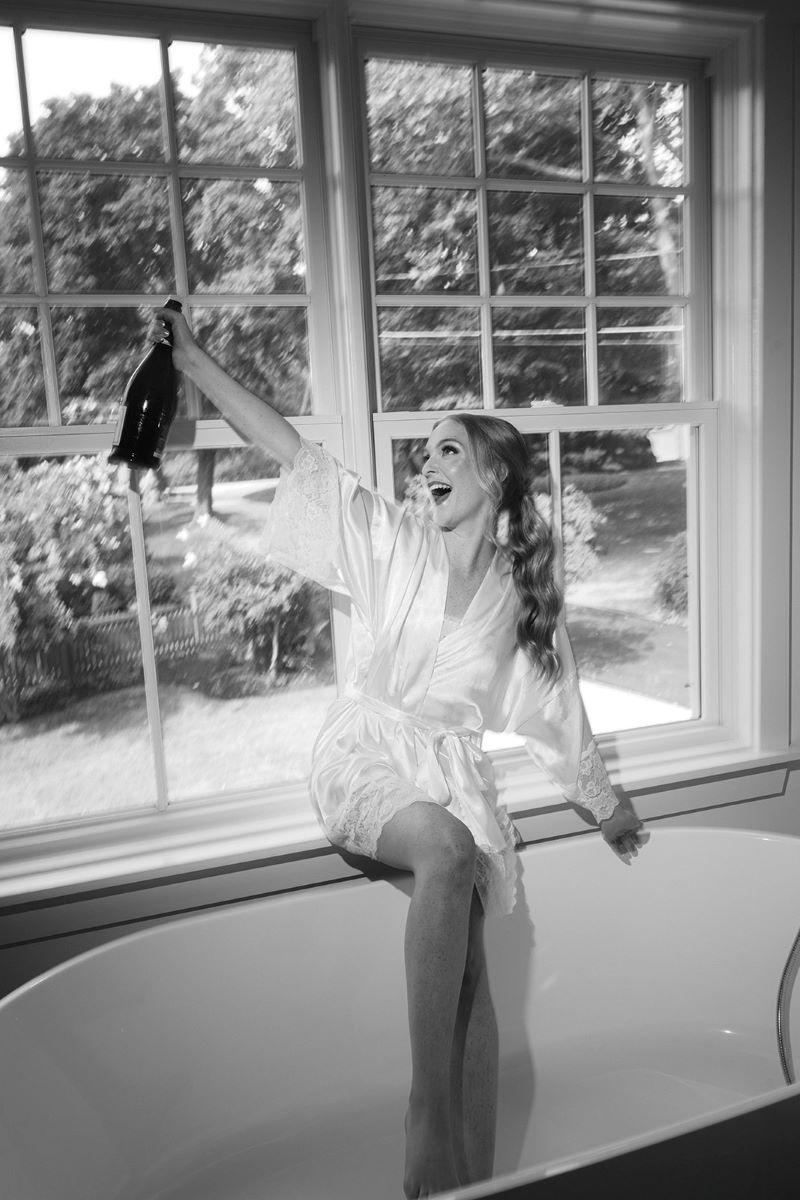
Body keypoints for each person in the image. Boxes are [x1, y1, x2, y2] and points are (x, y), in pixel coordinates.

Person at [158, 306, 646, 1199]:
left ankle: (472, 1185)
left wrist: (604, 805)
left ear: (495, 472)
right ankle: (425, 1115)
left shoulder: (521, 597)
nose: (427, 462)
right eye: (424, 449)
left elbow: (556, 711)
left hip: (449, 770)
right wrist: (195, 363)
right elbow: (288, 450)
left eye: (448, 448)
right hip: (369, 748)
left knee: (474, 989)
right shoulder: (393, 539)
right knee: (448, 851)